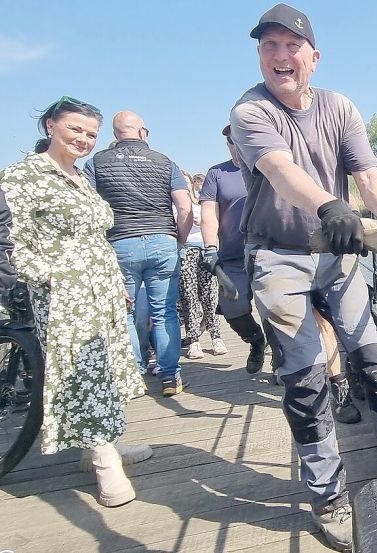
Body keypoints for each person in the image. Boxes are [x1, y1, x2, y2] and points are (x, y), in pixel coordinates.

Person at [230, 4, 377, 548]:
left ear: (313, 56)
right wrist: (332, 208)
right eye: (269, 46)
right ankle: (327, 497)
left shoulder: (339, 107)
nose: (280, 56)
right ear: (259, 55)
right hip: (278, 255)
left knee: (373, 356)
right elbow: (282, 174)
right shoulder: (250, 111)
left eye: (292, 46)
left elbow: (368, 173)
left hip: (340, 255)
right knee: (306, 377)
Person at [0, 96, 151, 507]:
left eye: (90, 134)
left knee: (108, 367)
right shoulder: (23, 176)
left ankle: (99, 445)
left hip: (100, 286)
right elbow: (10, 239)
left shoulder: (80, 177)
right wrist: (46, 274)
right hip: (63, 292)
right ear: (51, 125)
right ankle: (105, 463)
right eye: (75, 130)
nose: (83, 139)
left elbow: (96, 236)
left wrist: (115, 281)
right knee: (82, 370)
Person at [199, 126, 360, 423]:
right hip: (236, 255)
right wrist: (210, 248)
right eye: (232, 140)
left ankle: (337, 385)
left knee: (314, 319)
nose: (238, 144)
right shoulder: (218, 175)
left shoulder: (278, 164)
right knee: (237, 310)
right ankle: (256, 342)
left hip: (284, 253)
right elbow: (209, 212)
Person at [85, 111, 193, 397]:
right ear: (143, 132)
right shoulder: (164, 161)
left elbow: (88, 209)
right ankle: (171, 377)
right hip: (162, 241)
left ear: (115, 134)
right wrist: (178, 239)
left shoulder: (97, 163)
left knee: (125, 313)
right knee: (164, 312)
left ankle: (134, 374)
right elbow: (184, 207)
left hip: (120, 244)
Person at [178, 171, 225, 359]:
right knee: (188, 297)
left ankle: (216, 336)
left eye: (186, 182)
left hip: (205, 250)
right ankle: (194, 340)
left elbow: (216, 223)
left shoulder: (202, 204)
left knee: (209, 295)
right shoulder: (174, 206)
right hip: (185, 251)